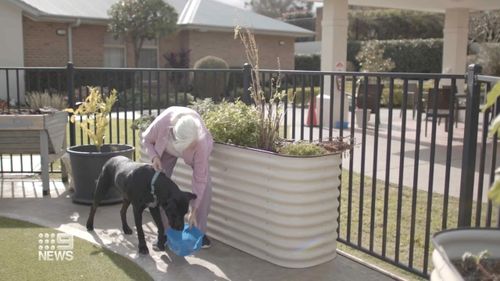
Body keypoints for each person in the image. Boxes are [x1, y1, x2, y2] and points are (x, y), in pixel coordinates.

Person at [141, 106, 213, 249]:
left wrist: (194, 210)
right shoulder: (163, 123)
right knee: (160, 189)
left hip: (195, 155)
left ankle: (198, 232)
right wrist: (154, 156)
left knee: (205, 186)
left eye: (191, 144)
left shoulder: (201, 141)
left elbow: (200, 179)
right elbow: (146, 140)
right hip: (166, 151)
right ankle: (165, 233)